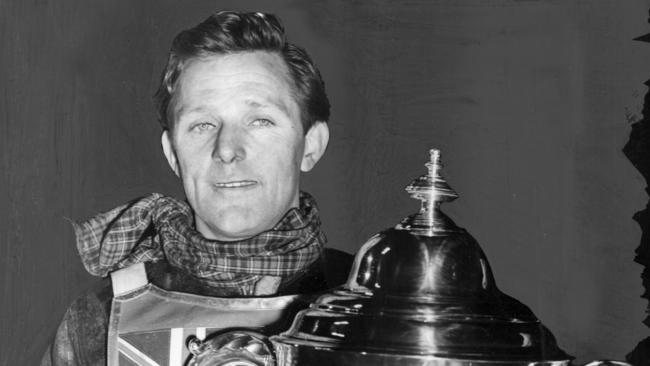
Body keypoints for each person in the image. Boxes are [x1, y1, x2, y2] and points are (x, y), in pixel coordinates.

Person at [41, 10, 349, 365]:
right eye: (202, 125)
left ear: (311, 144)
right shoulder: (100, 318)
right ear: (173, 153)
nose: (228, 150)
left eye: (260, 120)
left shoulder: (382, 302)